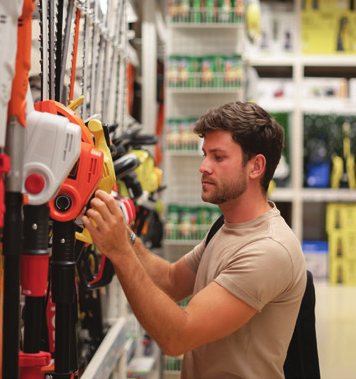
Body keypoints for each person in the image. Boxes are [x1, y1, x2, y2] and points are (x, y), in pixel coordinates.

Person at [82, 101, 307, 378]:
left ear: (256, 167)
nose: (203, 167)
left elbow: (177, 337)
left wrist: (119, 252)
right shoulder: (227, 227)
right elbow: (171, 282)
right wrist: (123, 235)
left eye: (218, 157)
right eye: (205, 155)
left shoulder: (268, 249)